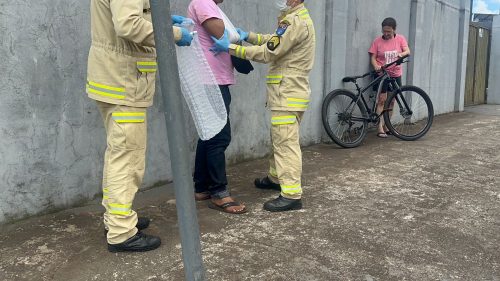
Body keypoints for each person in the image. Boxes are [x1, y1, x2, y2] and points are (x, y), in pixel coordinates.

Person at [87, 0, 193, 252]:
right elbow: (128, 25)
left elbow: (131, 17)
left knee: (119, 155)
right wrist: (174, 34)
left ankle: (116, 219)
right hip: (124, 82)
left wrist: (162, 22)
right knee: (127, 159)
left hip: (115, 80)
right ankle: (122, 232)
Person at [210, 0, 315, 212]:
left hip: (287, 93)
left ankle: (292, 194)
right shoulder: (294, 19)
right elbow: (273, 41)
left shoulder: (295, 21)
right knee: (279, 139)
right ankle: (276, 178)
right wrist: (247, 35)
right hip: (289, 93)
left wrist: (231, 48)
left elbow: (268, 53)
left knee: (285, 143)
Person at [187, 0, 247, 214]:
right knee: (219, 136)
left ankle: (202, 187)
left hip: (214, 79)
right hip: (211, 80)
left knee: (209, 134)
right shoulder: (203, 2)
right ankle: (219, 192)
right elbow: (220, 31)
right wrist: (233, 34)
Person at [368, 17, 411, 138]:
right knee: (381, 100)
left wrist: (400, 54)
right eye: (384, 31)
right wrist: (376, 65)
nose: (386, 34)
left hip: (395, 74)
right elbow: (373, 57)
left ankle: (387, 126)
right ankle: (380, 127)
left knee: (392, 101)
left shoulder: (400, 39)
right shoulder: (377, 41)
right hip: (381, 74)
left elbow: (407, 51)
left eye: (389, 31)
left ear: (394, 30)